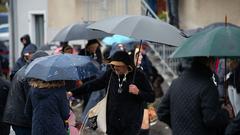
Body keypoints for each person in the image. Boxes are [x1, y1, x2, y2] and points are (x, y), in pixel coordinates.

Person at [70, 51, 155, 135]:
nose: (115, 68)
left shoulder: (139, 76)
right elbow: (93, 85)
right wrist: (73, 93)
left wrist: (138, 92)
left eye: (118, 65)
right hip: (112, 123)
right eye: (113, 65)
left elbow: (151, 97)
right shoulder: (111, 74)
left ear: (126, 65)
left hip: (130, 125)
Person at [157, 57, 232, 135]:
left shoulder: (176, 83)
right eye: (214, 63)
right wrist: (226, 113)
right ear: (210, 63)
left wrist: (178, 126)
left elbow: (162, 112)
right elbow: (211, 119)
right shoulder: (208, 85)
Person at [3, 50, 47, 135]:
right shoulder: (29, 75)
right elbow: (31, 100)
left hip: (17, 117)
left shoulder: (26, 70)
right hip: (21, 119)